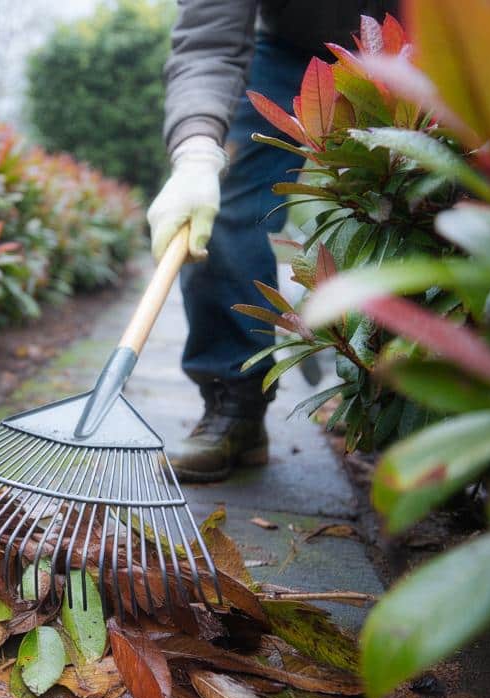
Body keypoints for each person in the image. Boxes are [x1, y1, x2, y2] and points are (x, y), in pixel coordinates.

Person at [147, 1, 396, 482]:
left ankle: (402, 410)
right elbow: (209, 40)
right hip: (284, 50)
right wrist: (197, 154)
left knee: (416, 201)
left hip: (417, 43)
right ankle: (234, 407)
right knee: (224, 194)